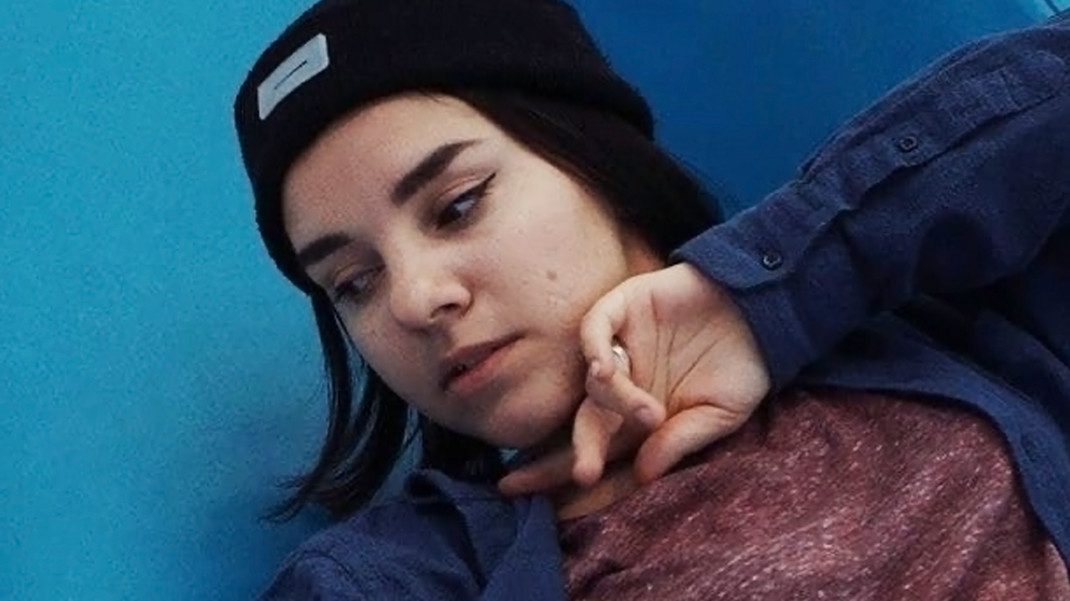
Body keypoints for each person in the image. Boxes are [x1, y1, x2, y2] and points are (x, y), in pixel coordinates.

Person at [233, 0, 1070, 598]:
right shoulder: (406, 574)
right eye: (353, 282)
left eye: (458, 206)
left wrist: (765, 292)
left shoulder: (949, 348)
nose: (414, 300)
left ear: (597, 162)